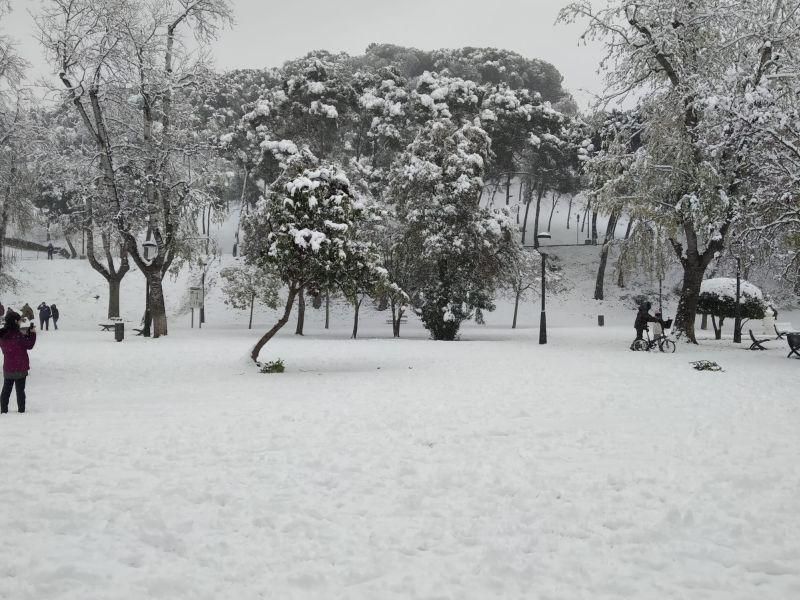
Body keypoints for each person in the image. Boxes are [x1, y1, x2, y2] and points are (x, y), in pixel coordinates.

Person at [0, 311, 36, 414]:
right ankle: (21, 411)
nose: (20, 322)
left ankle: (3, 410)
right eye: (19, 320)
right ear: (15, 321)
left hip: (8, 367)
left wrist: (26, 334)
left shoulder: (3, 334)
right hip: (20, 367)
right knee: (20, 391)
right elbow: (29, 344)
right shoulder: (17, 335)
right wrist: (32, 334)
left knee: (6, 390)